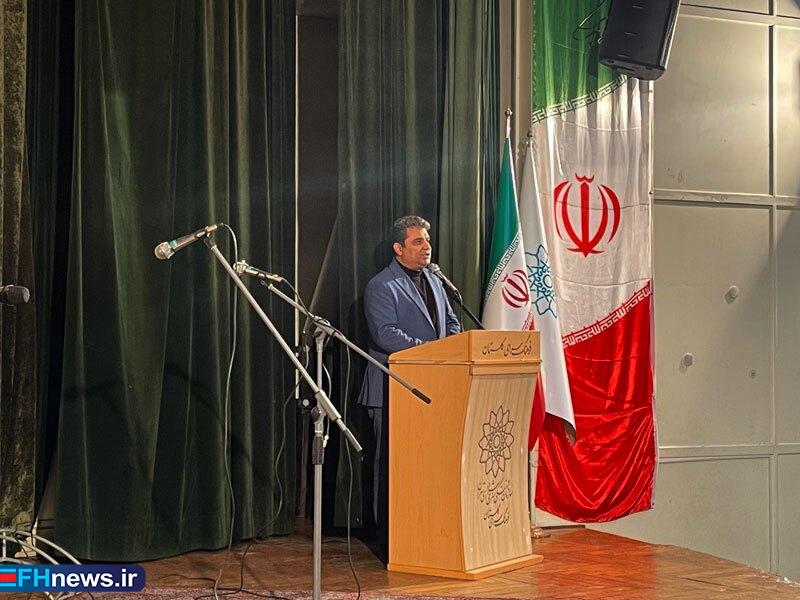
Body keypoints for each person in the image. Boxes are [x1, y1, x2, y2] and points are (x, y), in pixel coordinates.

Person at [357, 215, 461, 562]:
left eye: (427, 240)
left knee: (427, 465)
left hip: (433, 388)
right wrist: (432, 352)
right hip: (392, 389)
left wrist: (451, 348)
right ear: (398, 248)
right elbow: (384, 334)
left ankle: (424, 532)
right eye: (418, 241)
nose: (426, 247)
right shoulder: (381, 286)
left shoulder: (435, 280)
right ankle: (388, 539)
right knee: (391, 466)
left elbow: (452, 322)